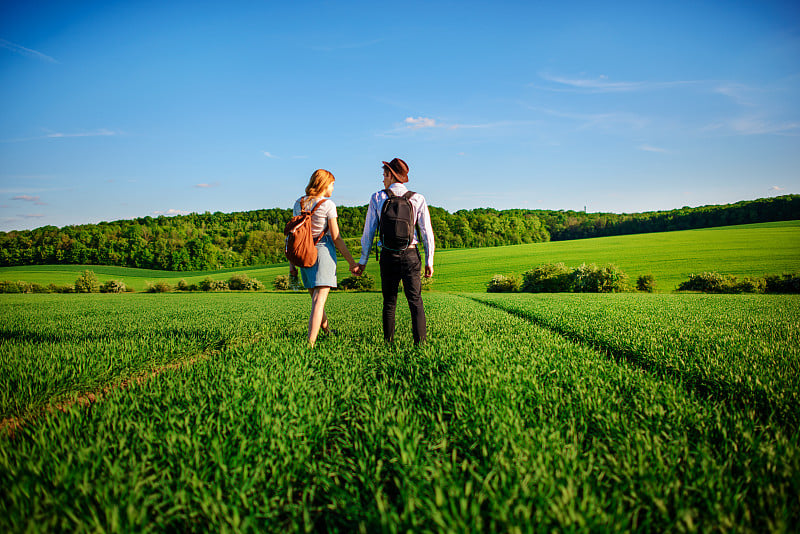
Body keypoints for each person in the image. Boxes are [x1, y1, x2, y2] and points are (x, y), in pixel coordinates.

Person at [354, 158, 435, 344]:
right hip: (411, 255)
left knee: (389, 302)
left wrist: (363, 261)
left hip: (388, 255)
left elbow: (369, 231)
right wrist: (430, 261)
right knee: (415, 301)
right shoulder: (417, 198)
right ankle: (420, 344)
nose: (383, 179)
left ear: (391, 175)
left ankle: (388, 343)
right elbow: (426, 232)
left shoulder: (377, 197)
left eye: (384, 175)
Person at [290, 169, 359, 347]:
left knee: (316, 300)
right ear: (324, 184)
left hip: (303, 253)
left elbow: (293, 235)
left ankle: (328, 331)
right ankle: (310, 343)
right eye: (332, 184)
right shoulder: (328, 205)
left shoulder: (299, 203)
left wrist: (292, 264)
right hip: (322, 252)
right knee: (319, 301)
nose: (333, 188)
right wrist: (352, 263)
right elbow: (336, 237)